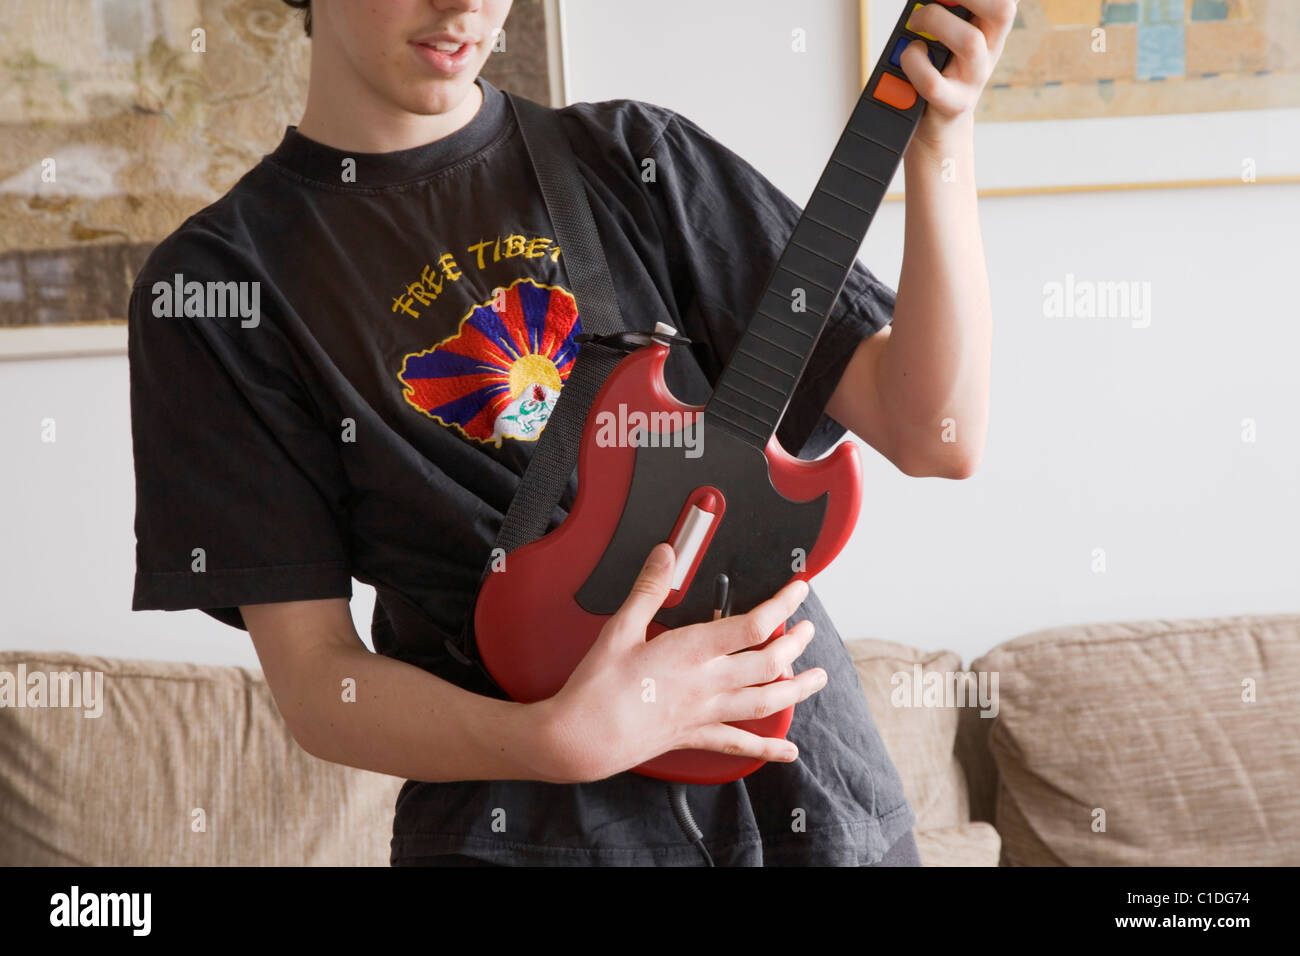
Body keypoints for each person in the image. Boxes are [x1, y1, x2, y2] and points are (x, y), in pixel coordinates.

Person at [128, 0, 1011, 866]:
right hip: (524, 831)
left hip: (812, 796)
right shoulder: (217, 288)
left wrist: (941, 142)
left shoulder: (635, 158)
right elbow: (320, 685)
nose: (466, 5)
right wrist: (557, 741)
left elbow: (934, 431)